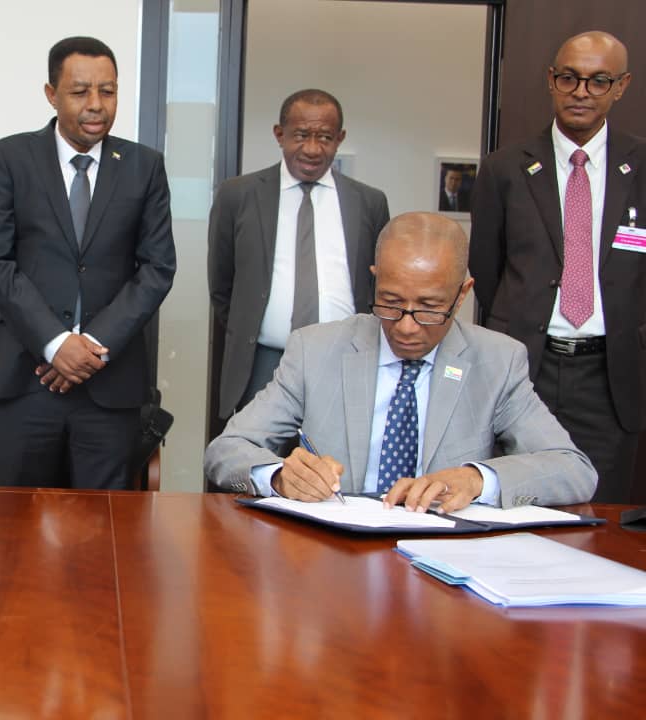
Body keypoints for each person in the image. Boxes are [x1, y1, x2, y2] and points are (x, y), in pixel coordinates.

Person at [205, 212, 597, 511]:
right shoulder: (315, 349)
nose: (407, 327)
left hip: (444, 565)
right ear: (375, 279)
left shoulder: (498, 361)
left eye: (428, 309)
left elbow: (574, 470)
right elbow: (227, 450)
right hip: (332, 557)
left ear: (462, 295)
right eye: (391, 303)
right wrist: (279, 477)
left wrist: (477, 480)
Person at [0, 36, 176, 489]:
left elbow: (157, 268)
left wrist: (92, 345)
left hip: (110, 387)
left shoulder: (144, 166)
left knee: (104, 535)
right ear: (51, 94)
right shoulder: (10, 158)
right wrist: (55, 343)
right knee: (16, 532)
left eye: (108, 91)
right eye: (80, 91)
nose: (96, 105)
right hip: (27, 381)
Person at [469, 31, 645, 503]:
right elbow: (486, 268)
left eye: (597, 81)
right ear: (551, 80)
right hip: (527, 366)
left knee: (602, 513)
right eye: (569, 78)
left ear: (621, 86)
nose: (581, 92)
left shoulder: (642, 166)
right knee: (516, 500)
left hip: (611, 374)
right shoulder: (504, 168)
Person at [208, 89, 389, 418]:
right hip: (263, 362)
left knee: (337, 464)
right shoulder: (238, 195)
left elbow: (379, 286)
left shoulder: (369, 202)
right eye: (301, 135)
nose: (312, 149)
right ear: (280, 134)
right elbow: (223, 286)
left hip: (346, 362)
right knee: (258, 462)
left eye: (325, 137)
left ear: (340, 138)